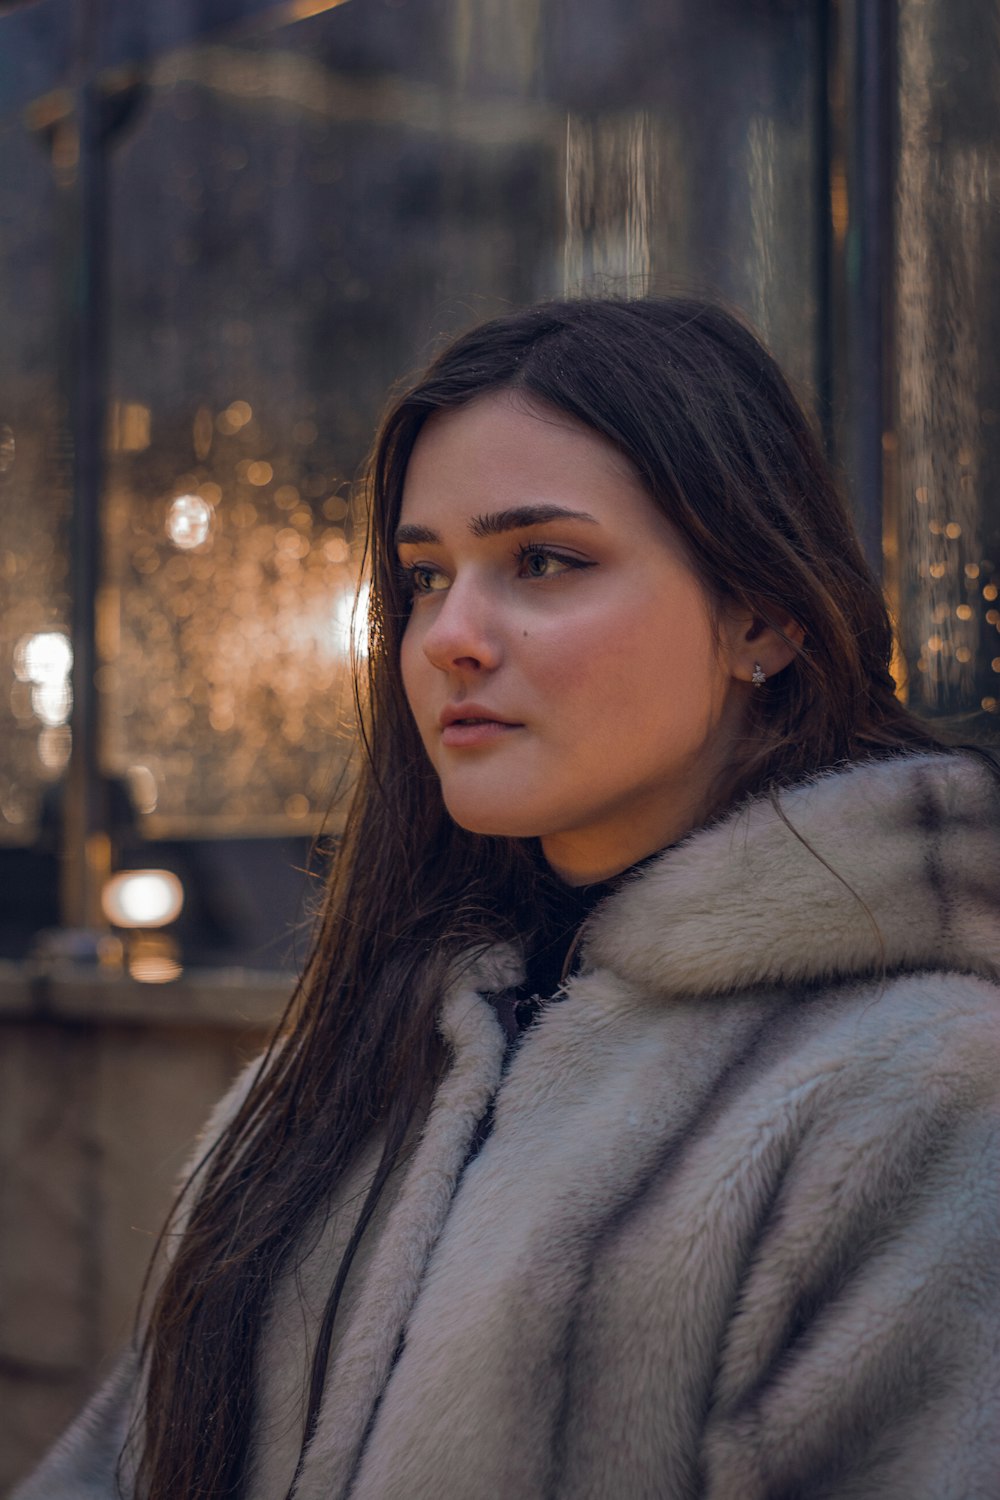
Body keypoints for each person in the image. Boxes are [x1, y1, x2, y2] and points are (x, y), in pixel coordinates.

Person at [17, 297, 1000, 1500]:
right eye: (425, 576)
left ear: (764, 616)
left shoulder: (922, 1089)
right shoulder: (382, 1041)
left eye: (544, 560)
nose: (450, 638)